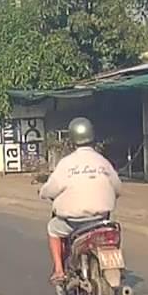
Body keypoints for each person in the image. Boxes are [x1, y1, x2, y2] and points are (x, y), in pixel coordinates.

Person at [38, 117, 122, 283]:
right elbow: (118, 188)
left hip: (74, 222)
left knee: (53, 229)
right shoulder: (103, 162)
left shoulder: (66, 164)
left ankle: (59, 270)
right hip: (100, 220)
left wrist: (43, 192)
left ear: (72, 138)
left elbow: (51, 188)